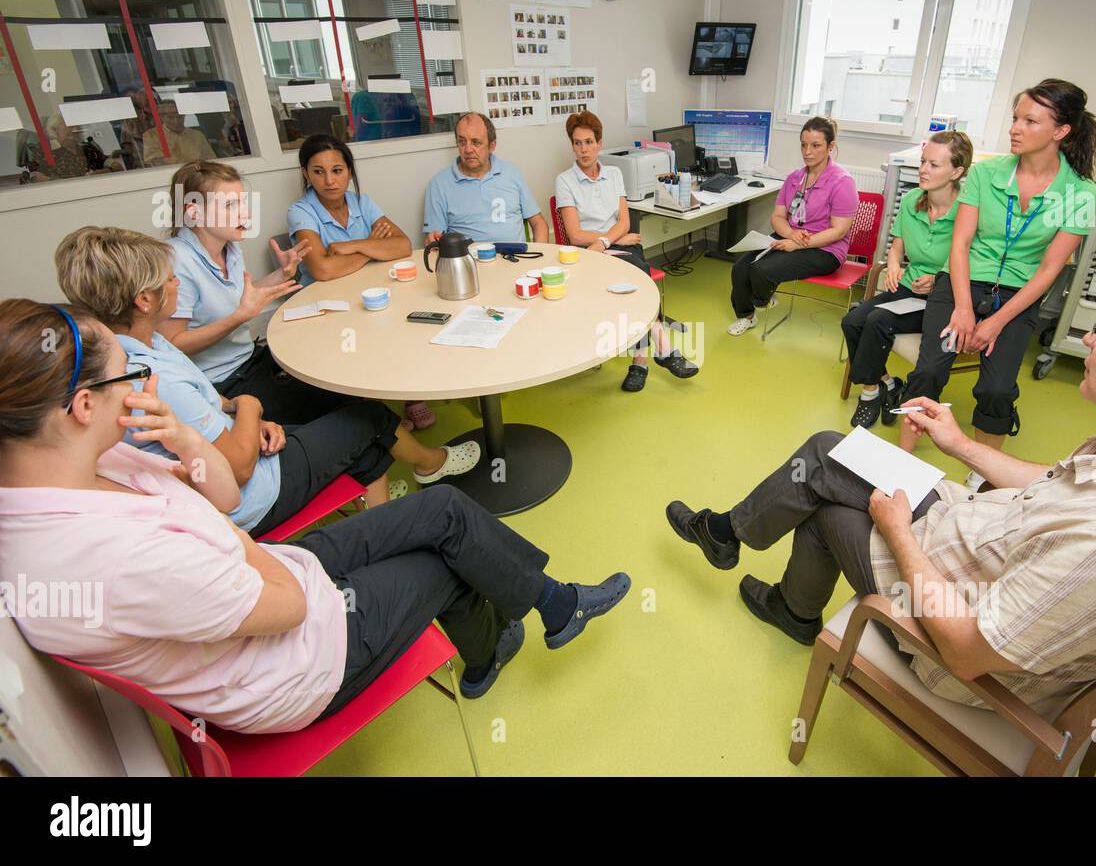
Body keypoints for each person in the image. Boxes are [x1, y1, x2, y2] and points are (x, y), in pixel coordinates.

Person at [666, 263, 1096, 709]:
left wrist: (898, 532)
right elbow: (1051, 485)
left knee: (827, 492)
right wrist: (960, 447)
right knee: (834, 456)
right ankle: (760, 570)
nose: (1090, 340)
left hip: (951, 629)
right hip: (978, 535)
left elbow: (965, 649)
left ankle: (758, 569)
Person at [0, 299, 632, 729]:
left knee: (441, 506)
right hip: (295, 661)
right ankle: (495, 645)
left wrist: (189, 442)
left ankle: (549, 609)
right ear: (84, 405)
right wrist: (230, 536)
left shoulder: (101, 465)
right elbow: (289, 606)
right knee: (445, 560)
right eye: (133, 374)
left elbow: (221, 500)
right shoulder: (101, 556)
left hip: (274, 573)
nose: (146, 387)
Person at [54, 226, 482, 537]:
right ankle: (423, 472)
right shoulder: (151, 378)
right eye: (168, 280)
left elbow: (208, 410)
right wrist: (251, 408)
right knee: (366, 418)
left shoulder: (141, 344)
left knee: (361, 438)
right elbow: (236, 470)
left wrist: (237, 414)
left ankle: (382, 523)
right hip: (256, 495)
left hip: (246, 448)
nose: (177, 283)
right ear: (144, 300)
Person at [899, 80, 1096, 477]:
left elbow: (1049, 270)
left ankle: (982, 473)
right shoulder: (985, 174)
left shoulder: (1081, 194)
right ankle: (901, 461)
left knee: (995, 390)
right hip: (960, 282)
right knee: (928, 371)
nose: (1015, 128)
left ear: (1060, 132)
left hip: (1017, 296)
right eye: (1015, 118)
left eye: (1029, 120)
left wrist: (994, 322)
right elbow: (960, 245)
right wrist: (961, 309)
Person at [157, 160, 360, 424]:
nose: (245, 214)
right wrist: (239, 318)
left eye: (243, 202)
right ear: (194, 212)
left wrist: (282, 273)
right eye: (230, 205)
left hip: (251, 358)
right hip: (220, 384)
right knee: (349, 407)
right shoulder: (176, 260)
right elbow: (173, 345)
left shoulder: (228, 247)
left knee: (339, 376)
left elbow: (243, 298)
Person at [287, 134, 435, 432]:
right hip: (324, 304)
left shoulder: (361, 202)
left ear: (349, 172)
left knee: (409, 320)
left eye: (337, 170)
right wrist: (369, 247)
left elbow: (403, 245)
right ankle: (377, 420)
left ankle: (410, 395)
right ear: (306, 174)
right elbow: (323, 270)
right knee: (356, 344)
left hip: (368, 291)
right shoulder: (300, 212)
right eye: (318, 172)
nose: (329, 180)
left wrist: (352, 246)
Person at [554, 111, 698, 391]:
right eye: (577, 143)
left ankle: (641, 364)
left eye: (588, 142)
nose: (583, 149)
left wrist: (605, 241)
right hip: (589, 251)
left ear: (599, 143)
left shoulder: (614, 173)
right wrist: (607, 242)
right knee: (636, 280)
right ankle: (662, 352)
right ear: (572, 145)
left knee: (635, 280)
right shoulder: (565, 181)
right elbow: (575, 234)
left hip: (612, 245)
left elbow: (625, 221)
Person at [842, 131, 972, 428]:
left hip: (941, 299)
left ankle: (868, 394)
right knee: (852, 321)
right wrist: (892, 265)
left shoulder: (968, 211)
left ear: (957, 171)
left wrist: (938, 278)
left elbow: (971, 259)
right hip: (906, 287)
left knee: (876, 321)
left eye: (934, 165)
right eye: (923, 162)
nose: (924, 169)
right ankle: (883, 385)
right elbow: (897, 245)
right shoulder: (914, 198)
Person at [727, 117, 858, 336]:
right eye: (804, 144)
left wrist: (796, 244)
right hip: (790, 236)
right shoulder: (795, 177)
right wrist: (791, 234)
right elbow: (778, 216)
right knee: (740, 267)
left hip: (825, 248)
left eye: (816, 145)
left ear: (831, 147)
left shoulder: (842, 181)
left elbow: (839, 230)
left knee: (762, 270)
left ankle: (762, 298)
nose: (808, 151)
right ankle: (747, 317)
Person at [423, 112, 550, 245]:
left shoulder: (511, 173)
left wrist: (539, 257)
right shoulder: (439, 184)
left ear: (492, 146)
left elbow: (539, 223)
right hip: (470, 262)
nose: (468, 149)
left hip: (516, 259)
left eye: (476, 142)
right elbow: (435, 239)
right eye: (462, 141)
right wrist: (433, 240)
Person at [27, 114, 122, 182]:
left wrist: (104, 172)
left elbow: (117, 166)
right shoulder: (44, 149)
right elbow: (34, 177)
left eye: (77, 126)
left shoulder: (87, 147)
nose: (74, 129)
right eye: (68, 126)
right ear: (55, 129)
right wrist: (59, 181)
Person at [143, 99, 216, 167]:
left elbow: (211, 161)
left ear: (184, 115)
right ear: (162, 117)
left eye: (179, 117)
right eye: (170, 117)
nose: (176, 121)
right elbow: (152, 163)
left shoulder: (197, 135)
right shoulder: (151, 135)